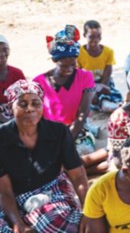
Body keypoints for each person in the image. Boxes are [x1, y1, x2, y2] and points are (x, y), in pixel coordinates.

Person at [0, 80, 88, 232]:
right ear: (9, 108)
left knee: (57, 221)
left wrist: (88, 211)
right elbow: (5, 190)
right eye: (22, 104)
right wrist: (18, 224)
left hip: (52, 190)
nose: (30, 109)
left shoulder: (58, 132)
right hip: (14, 196)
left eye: (35, 103)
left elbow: (78, 176)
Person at [33, 25, 108, 174]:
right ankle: (84, 168)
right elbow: (37, 118)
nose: (68, 69)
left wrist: (65, 142)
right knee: (51, 161)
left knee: (77, 153)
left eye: (72, 65)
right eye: (63, 65)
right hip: (49, 133)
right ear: (55, 61)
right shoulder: (39, 82)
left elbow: (82, 115)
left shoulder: (85, 77)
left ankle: (65, 170)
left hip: (77, 130)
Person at [77, 20, 123, 114]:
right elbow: (78, 76)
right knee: (87, 98)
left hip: (104, 82)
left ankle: (108, 104)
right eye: (92, 36)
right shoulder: (79, 53)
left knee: (112, 94)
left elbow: (107, 75)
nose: (96, 39)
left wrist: (100, 89)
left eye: (99, 36)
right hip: (87, 83)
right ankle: (107, 106)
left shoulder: (108, 52)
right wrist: (92, 89)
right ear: (84, 35)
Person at [0, 34, 25, 123]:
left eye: (5, 50)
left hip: (15, 119)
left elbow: (25, 99)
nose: (2, 54)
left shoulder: (17, 73)